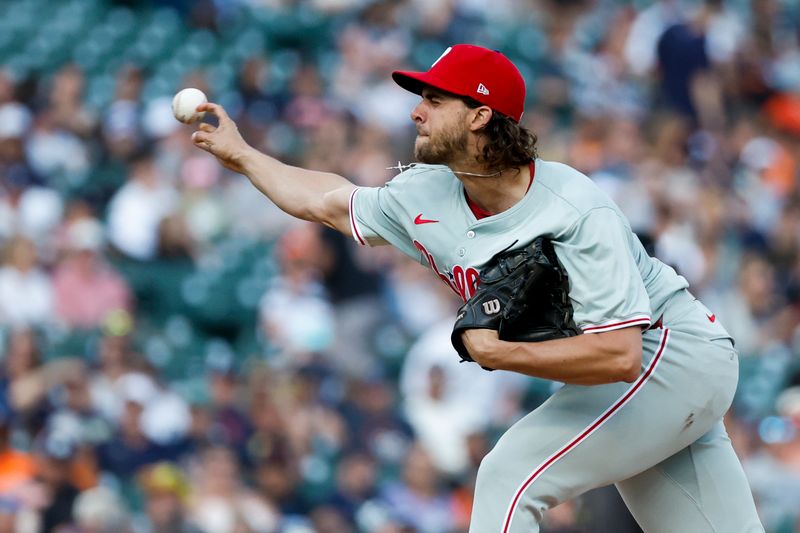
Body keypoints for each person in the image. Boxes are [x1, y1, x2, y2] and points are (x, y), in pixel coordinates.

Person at [191, 44, 764, 532]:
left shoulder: (573, 209)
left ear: (480, 115)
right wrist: (241, 154)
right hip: (646, 383)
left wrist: (499, 352)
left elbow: (619, 354)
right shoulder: (426, 194)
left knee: (508, 474)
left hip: (671, 353)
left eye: (435, 100)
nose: (417, 112)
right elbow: (325, 201)